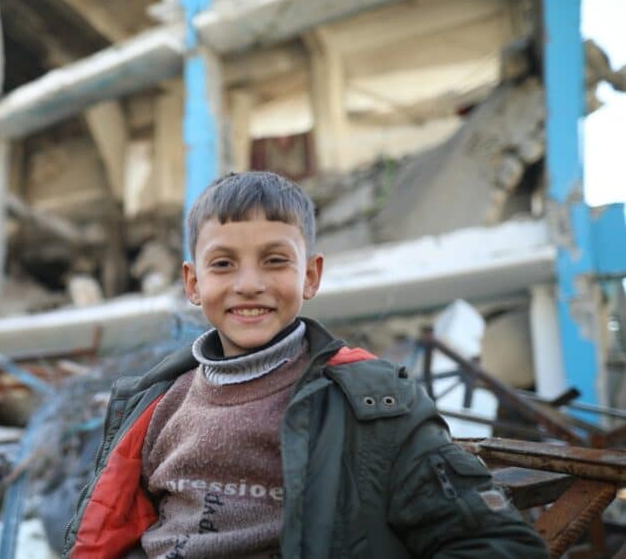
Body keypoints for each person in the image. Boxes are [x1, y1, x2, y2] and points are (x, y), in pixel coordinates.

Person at [62, 172, 548, 558]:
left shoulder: (369, 402)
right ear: (192, 283)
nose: (249, 283)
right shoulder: (155, 402)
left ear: (311, 275)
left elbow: (491, 539)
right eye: (223, 264)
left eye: (275, 260)